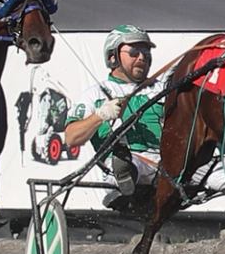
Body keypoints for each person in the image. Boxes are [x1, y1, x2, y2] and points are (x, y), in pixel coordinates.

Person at [60, 27, 164, 215]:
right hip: (128, 163)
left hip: (168, 165)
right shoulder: (95, 94)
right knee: (124, 162)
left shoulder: (163, 90)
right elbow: (71, 138)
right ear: (112, 57)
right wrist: (100, 115)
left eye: (146, 52)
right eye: (134, 52)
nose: (142, 57)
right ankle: (120, 183)